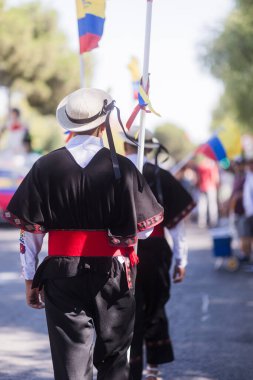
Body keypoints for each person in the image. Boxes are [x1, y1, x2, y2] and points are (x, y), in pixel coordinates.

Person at [3, 88, 164, 380]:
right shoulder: (123, 167)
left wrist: (29, 280)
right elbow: (146, 230)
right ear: (103, 125)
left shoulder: (44, 167)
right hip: (113, 275)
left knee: (70, 366)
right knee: (115, 362)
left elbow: (30, 236)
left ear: (68, 125)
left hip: (62, 274)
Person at [120, 128, 195, 380]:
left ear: (124, 145)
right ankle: (152, 367)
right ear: (150, 148)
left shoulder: (112, 172)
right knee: (154, 306)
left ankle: (130, 369)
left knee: (124, 309)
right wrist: (181, 259)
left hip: (117, 253)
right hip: (156, 252)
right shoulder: (160, 176)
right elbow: (177, 224)